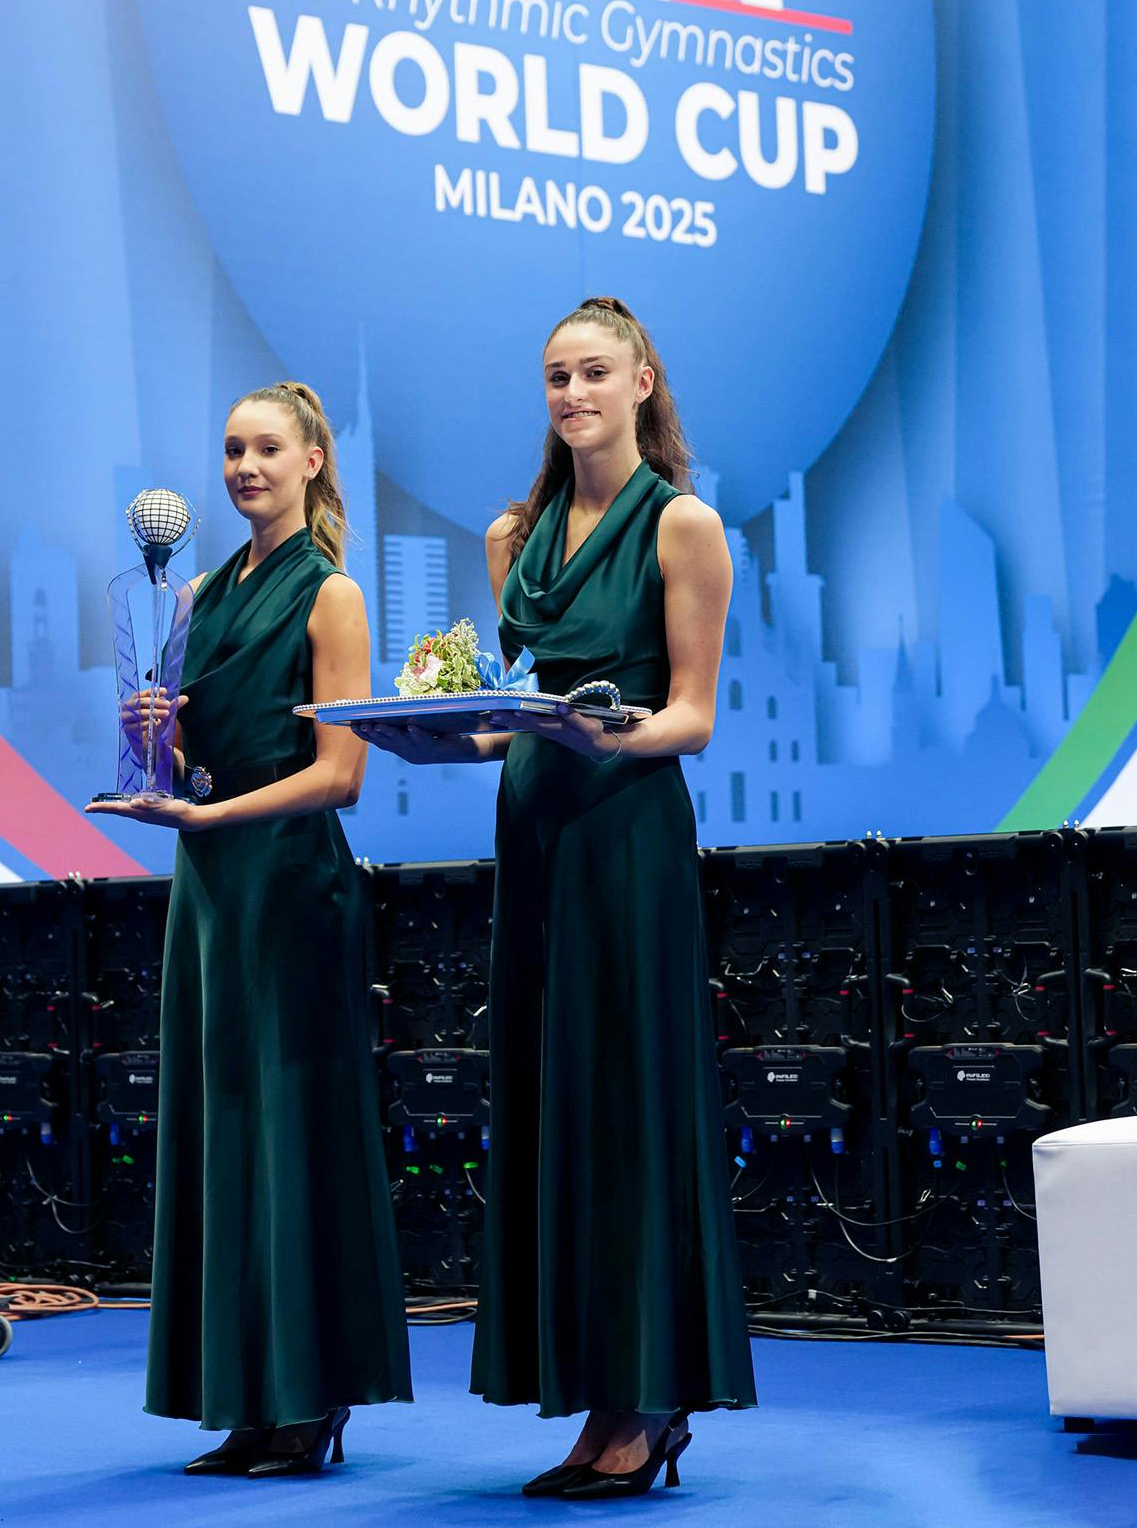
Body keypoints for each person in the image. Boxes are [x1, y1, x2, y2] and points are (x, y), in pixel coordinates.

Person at [356, 296, 755, 1499]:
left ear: (642, 385)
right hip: (532, 836)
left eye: (592, 373)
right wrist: (445, 738)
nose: (570, 392)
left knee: (628, 1106)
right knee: (553, 1107)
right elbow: (509, 704)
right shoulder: (509, 536)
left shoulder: (683, 525)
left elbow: (692, 712)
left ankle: (646, 1405)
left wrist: (599, 737)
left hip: (625, 838)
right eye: (553, 377)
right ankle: (591, 1402)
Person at [88, 380, 411, 1477]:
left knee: (292, 1136)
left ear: (313, 461)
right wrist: (158, 749)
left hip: (290, 890)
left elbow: (341, 776)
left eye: (266, 448)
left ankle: (310, 1400)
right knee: (225, 1139)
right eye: (231, 449)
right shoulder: (195, 598)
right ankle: (246, 1397)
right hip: (211, 893)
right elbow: (195, 764)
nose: (244, 467)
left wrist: (207, 808)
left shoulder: (332, 597)